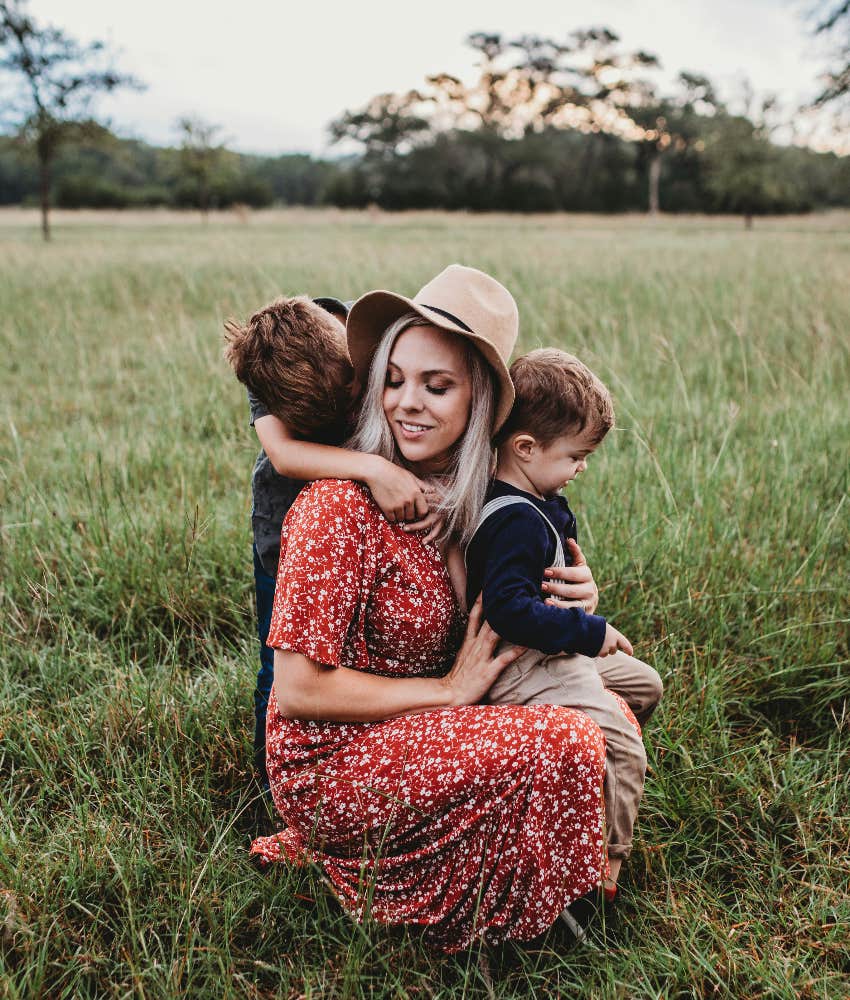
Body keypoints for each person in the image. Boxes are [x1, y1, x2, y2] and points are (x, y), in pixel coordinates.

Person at [250, 265, 609, 952]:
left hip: (430, 727)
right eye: (393, 379)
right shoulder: (337, 506)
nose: (405, 404)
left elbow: (522, 605)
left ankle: (502, 868)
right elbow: (296, 692)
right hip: (336, 761)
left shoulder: (478, 500)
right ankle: (485, 907)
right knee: (569, 740)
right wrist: (447, 692)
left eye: (436, 386)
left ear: (481, 405)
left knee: (611, 706)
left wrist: (578, 593)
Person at [465, 348, 663, 903]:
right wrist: (589, 632)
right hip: (525, 666)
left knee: (645, 685)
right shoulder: (511, 521)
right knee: (624, 744)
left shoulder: (537, 497)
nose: (583, 466)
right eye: (577, 455)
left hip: (554, 654)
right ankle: (603, 865)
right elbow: (507, 610)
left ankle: (582, 793)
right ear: (525, 448)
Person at [224, 296, 436, 784]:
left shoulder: (346, 333)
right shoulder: (269, 365)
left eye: (355, 384)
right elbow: (282, 453)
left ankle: (362, 750)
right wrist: (372, 468)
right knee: (280, 661)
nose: (361, 391)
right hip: (284, 524)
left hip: (363, 525)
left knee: (362, 645)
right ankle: (273, 777)